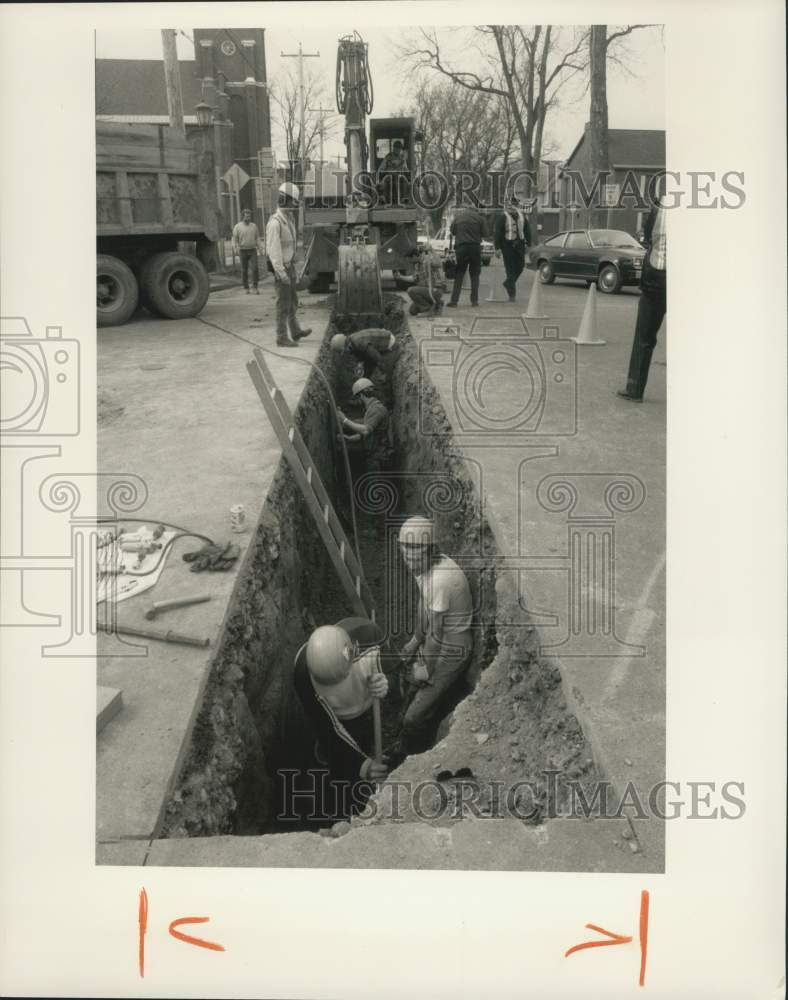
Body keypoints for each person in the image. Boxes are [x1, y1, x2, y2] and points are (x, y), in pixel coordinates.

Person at [292, 619, 389, 821]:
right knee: (340, 759)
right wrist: (362, 765)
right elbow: (329, 727)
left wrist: (384, 683)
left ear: (352, 653)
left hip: (365, 707)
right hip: (337, 718)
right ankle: (345, 801)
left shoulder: (371, 638)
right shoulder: (302, 672)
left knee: (363, 738)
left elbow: (392, 667)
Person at [394, 515, 474, 756]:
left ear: (429, 549)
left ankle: (411, 752)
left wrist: (425, 669)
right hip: (436, 640)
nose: (409, 555)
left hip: (453, 648)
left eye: (415, 549)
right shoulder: (424, 568)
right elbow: (423, 604)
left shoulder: (440, 579)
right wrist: (415, 640)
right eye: (405, 547)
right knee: (409, 684)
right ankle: (406, 724)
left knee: (412, 717)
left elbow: (436, 636)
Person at [617, 197, 666, 402]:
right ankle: (634, 388)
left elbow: (648, 238)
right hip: (657, 278)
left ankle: (635, 388)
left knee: (644, 336)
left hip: (656, 277)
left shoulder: (659, 207)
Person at [265, 182, 312, 348]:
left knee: (292, 301)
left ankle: (295, 330)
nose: (294, 206)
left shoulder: (288, 220)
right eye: (293, 202)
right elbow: (274, 251)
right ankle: (281, 336)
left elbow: (290, 245)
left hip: (289, 266)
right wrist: (281, 273)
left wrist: (294, 268)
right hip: (282, 269)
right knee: (283, 304)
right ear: (284, 199)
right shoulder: (275, 223)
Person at [336, 378, 391, 474]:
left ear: (361, 395)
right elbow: (368, 433)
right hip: (375, 455)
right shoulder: (372, 408)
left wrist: (344, 420)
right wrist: (349, 438)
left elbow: (365, 430)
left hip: (378, 458)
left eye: (357, 397)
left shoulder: (376, 409)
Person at [446, 203, 485, 308]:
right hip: (475, 248)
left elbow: (452, 231)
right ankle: (474, 301)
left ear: (466, 209)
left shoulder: (458, 217)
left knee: (459, 274)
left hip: (461, 248)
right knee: (475, 275)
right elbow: (486, 233)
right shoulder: (480, 218)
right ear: (475, 210)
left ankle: (454, 301)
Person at [493, 197, 532, 302]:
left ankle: (508, 283)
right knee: (510, 270)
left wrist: (529, 243)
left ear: (517, 206)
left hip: (520, 246)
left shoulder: (522, 216)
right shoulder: (502, 217)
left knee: (520, 267)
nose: (511, 207)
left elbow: (527, 230)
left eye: (514, 205)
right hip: (507, 246)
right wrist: (497, 248)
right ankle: (512, 295)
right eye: (509, 205)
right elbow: (498, 233)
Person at [330, 328, 397, 380]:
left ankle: (383, 381)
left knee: (382, 373)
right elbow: (361, 356)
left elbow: (376, 356)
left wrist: (383, 372)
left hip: (387, 340)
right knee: (367, 361)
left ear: (346, 346)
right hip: (380, 338)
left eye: (344, 351)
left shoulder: (359, 342)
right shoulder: (352, 340)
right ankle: (367, 378)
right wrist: (360, 365)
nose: (346, 353)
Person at [407, 243, 447, 316]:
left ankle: (427, 310)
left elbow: (439, 263)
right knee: (412, 311)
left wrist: (431, 250)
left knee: (411, 290)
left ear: (414, 256)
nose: (409, 261)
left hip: (436, 289)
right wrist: (400, 277)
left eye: (410, 259)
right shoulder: (417, 265)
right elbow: (414, 279)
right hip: (427, 289)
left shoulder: (427, 260)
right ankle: (438, 303)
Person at [232, 209, 262, 294]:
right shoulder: (237, 227)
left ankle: (255, 287)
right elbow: (234, 239)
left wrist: (261, 248)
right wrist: (235, 248)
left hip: (252, 250)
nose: (248, 218)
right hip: (243, 250)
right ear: (243, 216)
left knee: (255, 268)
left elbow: (257, 238)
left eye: (249, 216)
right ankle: (246, 287)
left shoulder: (254, 226)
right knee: (244, 270)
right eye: (246, 216)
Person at [376, 139, 409, 205]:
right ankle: (383, 198)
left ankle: (404, 197)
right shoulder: (388, 157)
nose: (398, 150)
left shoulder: (402, 159)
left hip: (399, 178)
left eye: (399, 149)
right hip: (389, 177)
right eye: (396, 148)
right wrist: (379, 176)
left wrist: (408, 175)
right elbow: (381, 168)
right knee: (384, 180)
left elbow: (406, 169)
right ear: (393, 148)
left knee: (405, 180)